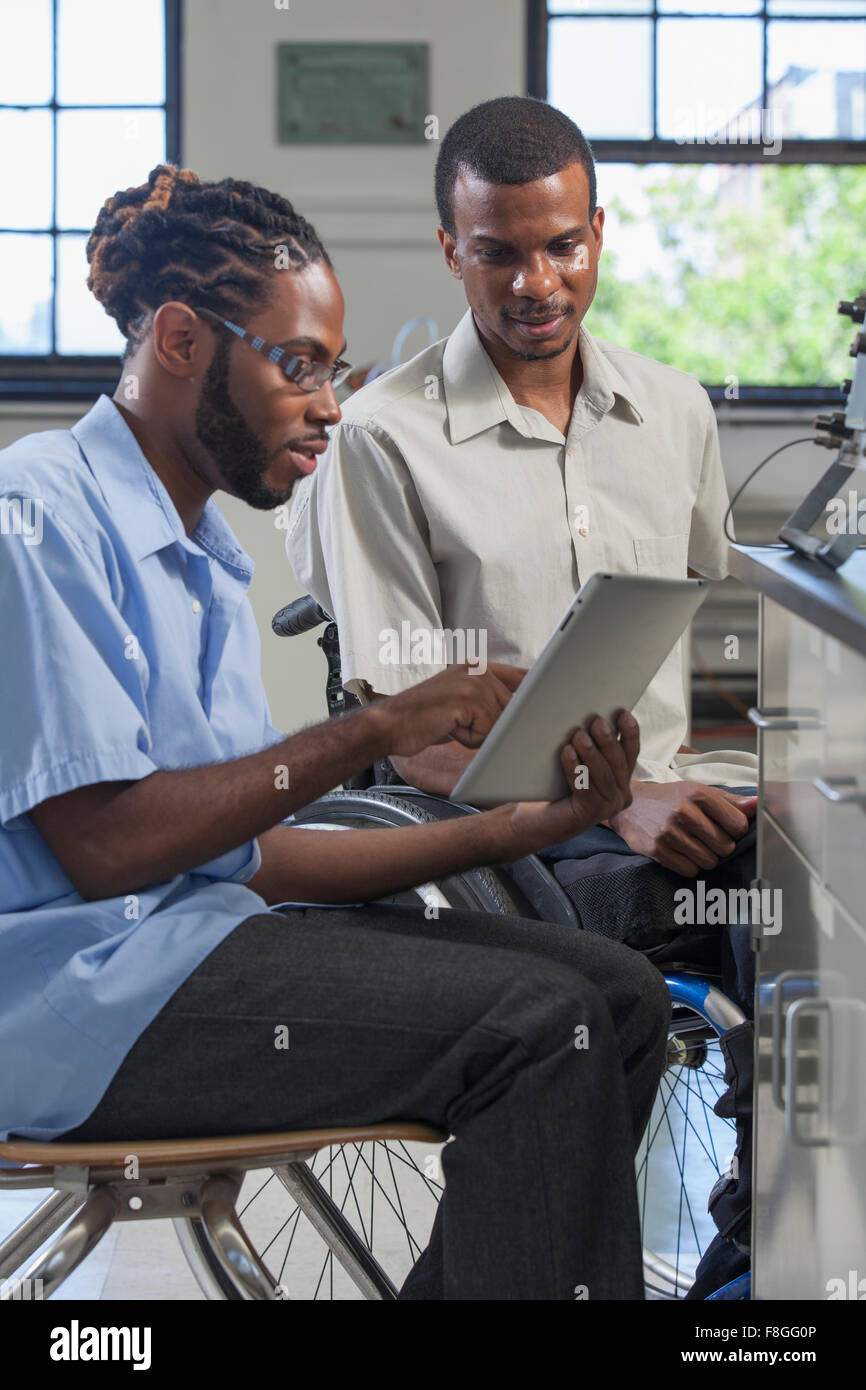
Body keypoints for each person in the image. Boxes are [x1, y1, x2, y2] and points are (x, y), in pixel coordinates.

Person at [0, 164, 671, 1301]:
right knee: (537, 1026)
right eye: (296, 364)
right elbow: (109, 850)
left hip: (190, 953)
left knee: (617, 997)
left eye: (333, 371)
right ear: (178, 340)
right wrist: (375, 729)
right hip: (72, 1007)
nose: (327, 405)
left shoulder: (202, 549)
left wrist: (514, 829)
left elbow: (247, 858)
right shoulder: (38, 516)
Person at [286, 96, 758, 1287]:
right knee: (732, 915)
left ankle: (763, 1229)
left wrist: (747, 773)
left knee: (830, 862)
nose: (533, 281)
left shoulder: (673, 409)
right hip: (500, 828)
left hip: (682, 800)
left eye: (560, 246)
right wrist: (616, 802)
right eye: (497, 251)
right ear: (451, 248)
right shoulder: (381, 440)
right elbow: (409, 731)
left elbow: (712, 643)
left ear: (597, 231)